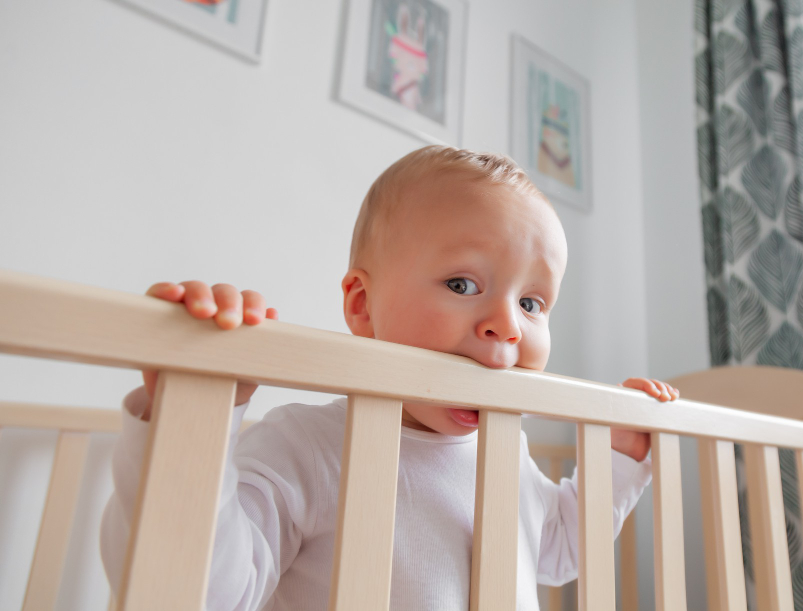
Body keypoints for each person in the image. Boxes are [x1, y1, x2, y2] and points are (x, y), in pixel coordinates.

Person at [100, 146, 678, 610]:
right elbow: (203, 594)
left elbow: (556, 551)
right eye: (462, 285)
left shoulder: (506, 451)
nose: (507, 325)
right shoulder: (305, 447)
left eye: (532, 302)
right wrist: (191, 418)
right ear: (363, 304)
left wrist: (620, 460)